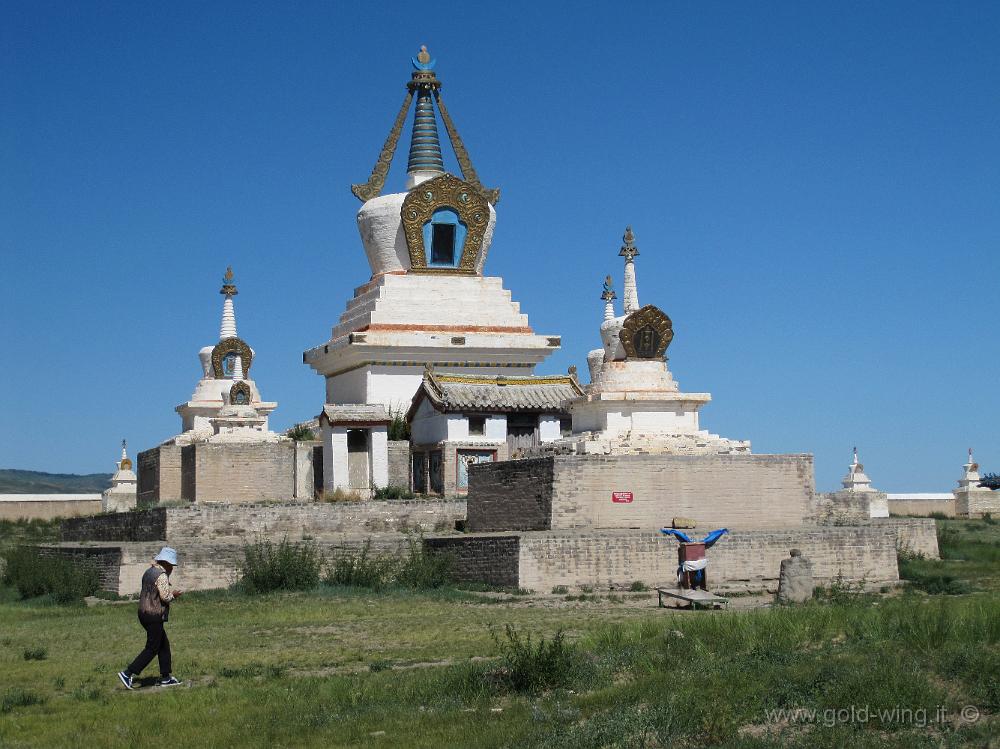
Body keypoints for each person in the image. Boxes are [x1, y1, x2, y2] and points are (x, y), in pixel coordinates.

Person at [117, 546, 184, 689]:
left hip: (143, 612)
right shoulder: (161, 575)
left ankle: (166, 677)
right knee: (152, 648)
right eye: (171, 565)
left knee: (163, 645)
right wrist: (175, 595)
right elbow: (165, 597)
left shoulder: (149, 571)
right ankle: (128, 673)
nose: (172, 568)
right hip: (153, 615)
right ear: (165, 563)